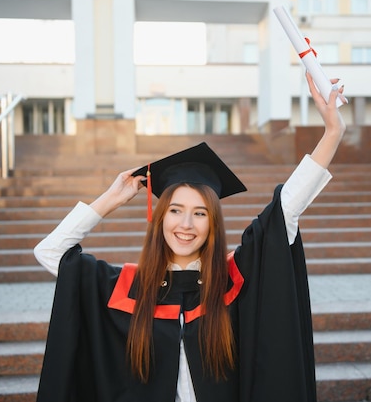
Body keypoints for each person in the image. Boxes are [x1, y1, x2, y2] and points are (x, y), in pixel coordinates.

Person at [34, 72, 347, 402]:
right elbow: (50, 252)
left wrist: (332, 131)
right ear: (159, 217)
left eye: (200, 213)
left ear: (212, 223)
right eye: (175, 210)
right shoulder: (127, 286)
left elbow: (286, 208)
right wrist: (110, 199)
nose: (186, 224)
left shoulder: (232, 279)